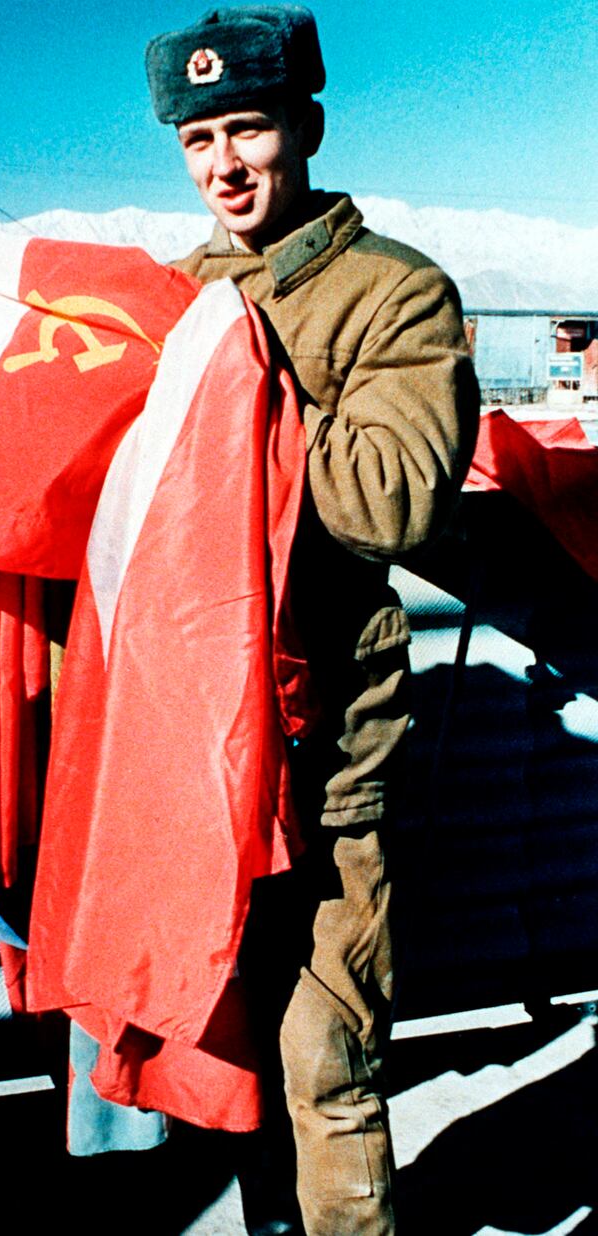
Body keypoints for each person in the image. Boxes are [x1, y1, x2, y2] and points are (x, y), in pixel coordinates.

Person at [145, 6, 480, 1234]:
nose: (223, 164)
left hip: (326, 749)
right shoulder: (171, 297)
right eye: (197, 139)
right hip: (185, 753)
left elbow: (386, 502)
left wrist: (239, 385)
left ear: (305, 128)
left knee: (323, 1059)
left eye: (248, 128)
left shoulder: (394, 294)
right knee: (210, 1049)